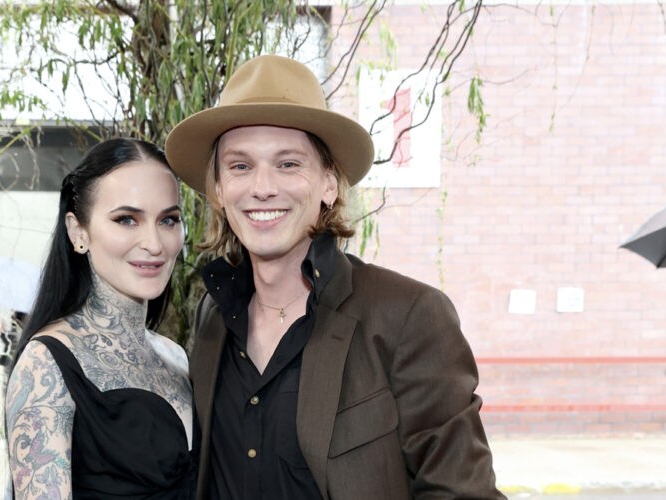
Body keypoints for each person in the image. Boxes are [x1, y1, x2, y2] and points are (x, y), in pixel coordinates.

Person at [165, 55, 504, 499]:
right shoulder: (212, 316)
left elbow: (462, 492)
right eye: (240, 166)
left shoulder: (407, 316)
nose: (262, 186)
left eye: (288, 164)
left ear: (329, 184)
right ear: (219, 191)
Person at [5, 138, 195, 499]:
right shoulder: (46, 365)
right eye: (127, 219)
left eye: (168, 220)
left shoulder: (176, 356)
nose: (154, 243)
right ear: (78, 232)